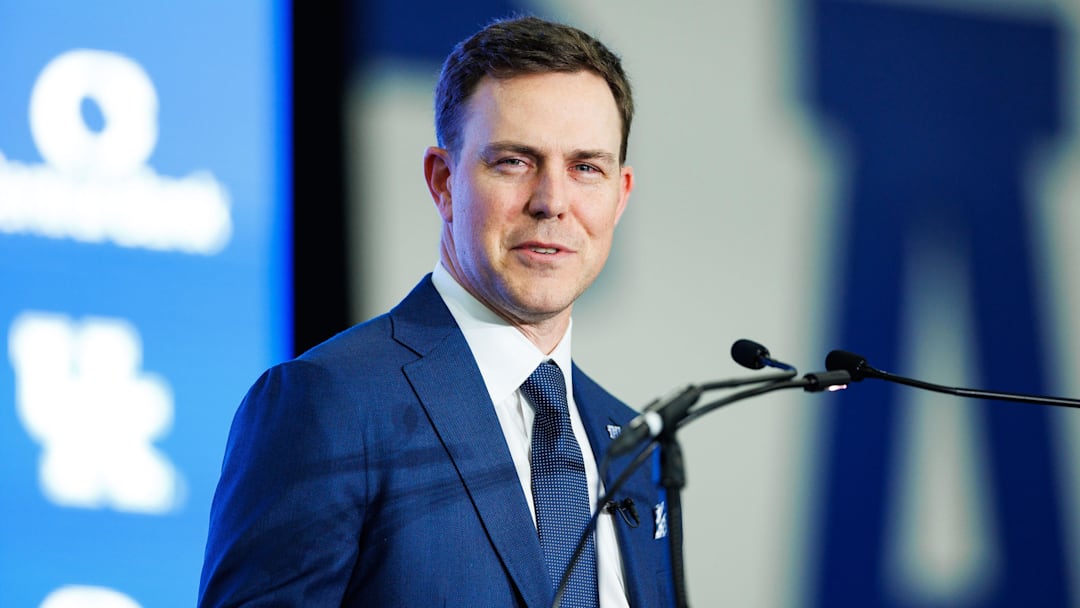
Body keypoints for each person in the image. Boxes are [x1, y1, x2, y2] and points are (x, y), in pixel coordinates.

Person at [198, 15, 676, 607]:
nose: (553, 201)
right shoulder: (330, 403)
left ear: (620, 195)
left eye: (586, 168)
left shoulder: (635, 450)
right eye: (514, 162)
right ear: (443, 181)